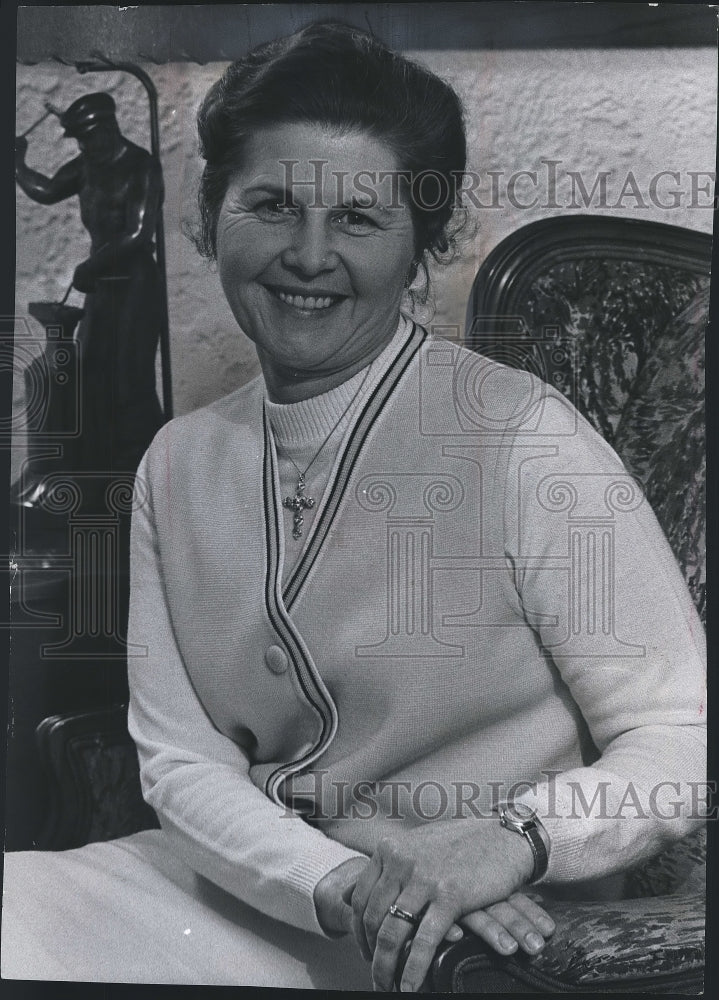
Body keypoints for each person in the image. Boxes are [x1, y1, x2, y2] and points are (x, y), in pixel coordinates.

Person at [2, 22, 706, 992]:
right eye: (271, 206)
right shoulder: (176, 462)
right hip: (269, 889)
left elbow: (682, 732)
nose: (306, 254)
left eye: (359, 220)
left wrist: (512, 839)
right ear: (212, 218)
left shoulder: (521, 439)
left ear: (421, 246)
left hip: (461, 933)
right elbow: (180, 761)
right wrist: (335, 879)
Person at [15, 92, 164, 485]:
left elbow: (137, 234)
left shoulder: (141, 166)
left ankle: (144, 465)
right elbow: (46, 191)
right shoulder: (87, 167)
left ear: (105, 131)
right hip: (100, 284)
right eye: (77, 141)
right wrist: (17, 164)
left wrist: (91, 265)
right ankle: (103, 463)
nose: (81, 148)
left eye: (84, 139)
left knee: (130, 377)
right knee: (93, 369)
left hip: (134, 285)